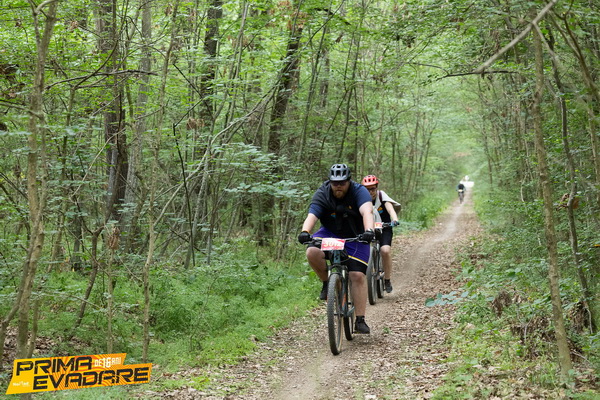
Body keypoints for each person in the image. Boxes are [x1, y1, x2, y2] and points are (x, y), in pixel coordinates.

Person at [298, 164, 375, 334]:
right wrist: (305, 232)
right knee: (311, 251)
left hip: (356, 235)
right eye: (334, 183)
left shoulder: (359, 191)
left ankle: (360, 319)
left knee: (357, 275)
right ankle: (327, 283)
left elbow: (367, 212)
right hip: (330, 233)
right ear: (330, 182)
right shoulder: (323, 192)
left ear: (349, 181)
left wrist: (369, 231)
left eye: (342, 183)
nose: (338, 186)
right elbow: (312, 215)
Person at [361, 175, 400, 293]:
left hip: (385, 227)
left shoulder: (382, 196)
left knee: (385, 251)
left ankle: (387, 279)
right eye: (367, 189)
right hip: (369, 228)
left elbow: (390, 209)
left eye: (372, 189)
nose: (370, 192)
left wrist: (394, 219)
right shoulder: (361, 198)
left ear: (376, 188)